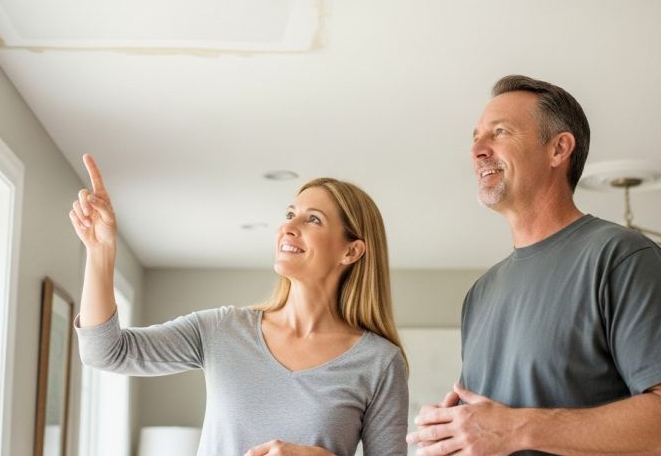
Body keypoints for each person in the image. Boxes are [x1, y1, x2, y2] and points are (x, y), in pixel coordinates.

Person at [407, 75, 661, 456]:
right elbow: (493, 431)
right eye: (475, 137)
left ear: (558, 149)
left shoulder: (621, 258)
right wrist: (453, 433)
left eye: (499, 133)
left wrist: (516, 428)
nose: (477, 150)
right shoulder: (480, 295)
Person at [69, 154, 408, 456]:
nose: (288, 228)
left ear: (351, 251)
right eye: (290, 214)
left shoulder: (379, 362)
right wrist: (100, 250)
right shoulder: (222, 329)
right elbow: (105, 352)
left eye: (313, 219)